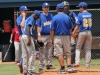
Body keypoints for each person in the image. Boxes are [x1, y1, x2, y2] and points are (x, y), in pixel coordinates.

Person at [50, 3, 77, 74]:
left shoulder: (54, 18)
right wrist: (70, 36)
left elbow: (52, 30)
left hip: (57, 36)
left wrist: (51, 39)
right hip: (67, 36)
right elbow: (70, 29)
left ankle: (62, 69)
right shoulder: (67, 17)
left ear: (57, 9)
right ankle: (69, 67)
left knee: (59, 53)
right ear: (63, 9)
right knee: (68, 52)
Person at [72, 2, 92, 68]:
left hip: (82, 32)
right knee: (88, 49)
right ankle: (87, 65)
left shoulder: (80, 15)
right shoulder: (90, 14)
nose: (79, 9)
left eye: (80, 7)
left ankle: (77, 62)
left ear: (82, 7)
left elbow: (78, 25)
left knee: (78, 48)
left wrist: (74, 32)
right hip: (89, 32)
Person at [36, 2, 54, 73]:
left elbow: (52, 26)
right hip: (42, 36)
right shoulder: (40, 16)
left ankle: (49, 64)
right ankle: (41, 66)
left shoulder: (51, 15)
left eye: (47, 7)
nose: (46, 8)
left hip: (50, 36)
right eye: (45, 7)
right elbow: (38, 26)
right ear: (42, 8)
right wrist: (39, 35)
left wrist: (52, 37)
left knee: (50, 51)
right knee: (42, 51)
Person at [21, 10, 40, 75]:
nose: (38, 18)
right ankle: (31, 71)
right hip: (27, 36)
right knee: (33, 53)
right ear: (35, 15)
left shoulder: (29, 18)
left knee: (25, 55)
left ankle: (25, 71)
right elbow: (28, 27)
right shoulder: (31, 18)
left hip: (23, 36)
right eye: (38, 17)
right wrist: (29, 39)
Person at [62, 1, 78, 65]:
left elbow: (77, 21)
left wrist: (75, 30)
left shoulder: (71, 13)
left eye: (67, 6)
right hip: (63, 33)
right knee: (62, 48)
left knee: (72, 47)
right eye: (64, 6)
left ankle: (72, 63)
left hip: (71, 33)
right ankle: (63, 64)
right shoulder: (60, 14)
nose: (66, 7)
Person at [16, 6, 29, 75]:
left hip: (28, 36)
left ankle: (21, 64)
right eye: (24, 11)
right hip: (23, 37)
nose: (26, 12)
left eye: (26, 11)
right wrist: (23, 17)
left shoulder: (27, 18)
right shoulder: (19, 18)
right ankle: (25, 70)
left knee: (28, 53)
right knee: (25, 53)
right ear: (21, 11)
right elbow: (22, 25)